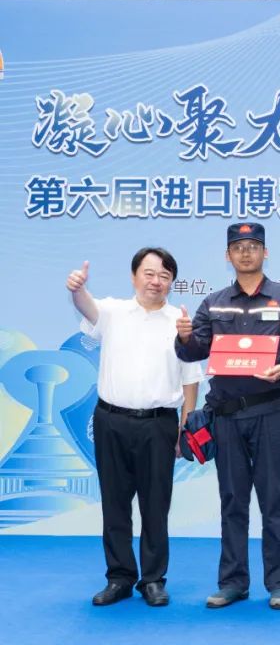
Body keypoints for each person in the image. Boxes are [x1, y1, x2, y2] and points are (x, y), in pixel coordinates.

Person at [175, 222, 280, 610]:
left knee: (274, 500)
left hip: (271, 411)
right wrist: (185, 337)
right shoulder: (214, 303)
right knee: (233, 500)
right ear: (228, 255)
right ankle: (233, 581)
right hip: (226, 416)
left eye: (253, 246)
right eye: (238, 247)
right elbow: (194, 350)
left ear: (265, 252)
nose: (246, 252)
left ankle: (279, 583)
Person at [67, 248, 201, 607]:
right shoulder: (113, 312)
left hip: (159, 425)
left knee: (156, 505)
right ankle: (120, 577)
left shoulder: (180, 323)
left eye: (164, 276)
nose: (156, 281)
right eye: (149, 273)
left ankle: (153, 579)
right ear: (134, 276)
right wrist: (77, 289)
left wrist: (186, 426)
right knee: (114, 504)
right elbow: (86, 306)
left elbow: (191, 380)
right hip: (111, 420)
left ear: (172, 282)